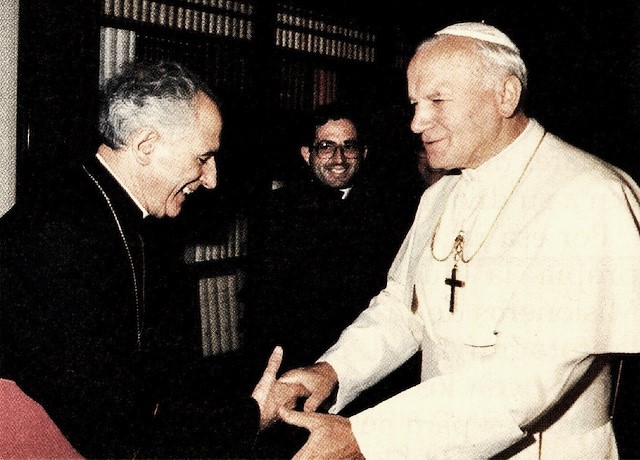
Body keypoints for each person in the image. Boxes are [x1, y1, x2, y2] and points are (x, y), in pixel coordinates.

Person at [276, 22, 640, 459]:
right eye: (415, 103)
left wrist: (369, 438)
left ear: (506, 95)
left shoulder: (590, 195)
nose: (416, 122)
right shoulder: (441, 195)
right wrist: (333, 370)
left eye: (437, 101)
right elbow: (402, 310)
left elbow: (531, 378)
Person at [0, 61, 300, 459]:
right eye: (203, 158)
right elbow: (113, 428)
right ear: (145, 146)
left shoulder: (111, 213)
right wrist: (251, 417)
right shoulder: (57, 234)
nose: (211, 179)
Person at [244, 103, 421, 456]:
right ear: (306, 154)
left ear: (363, 153)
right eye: (326, 146)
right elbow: (262, 301)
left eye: (348, 146)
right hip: (299, 366)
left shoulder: (393, 210)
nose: (339, 157)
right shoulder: (278, 210)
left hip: (370, 370)